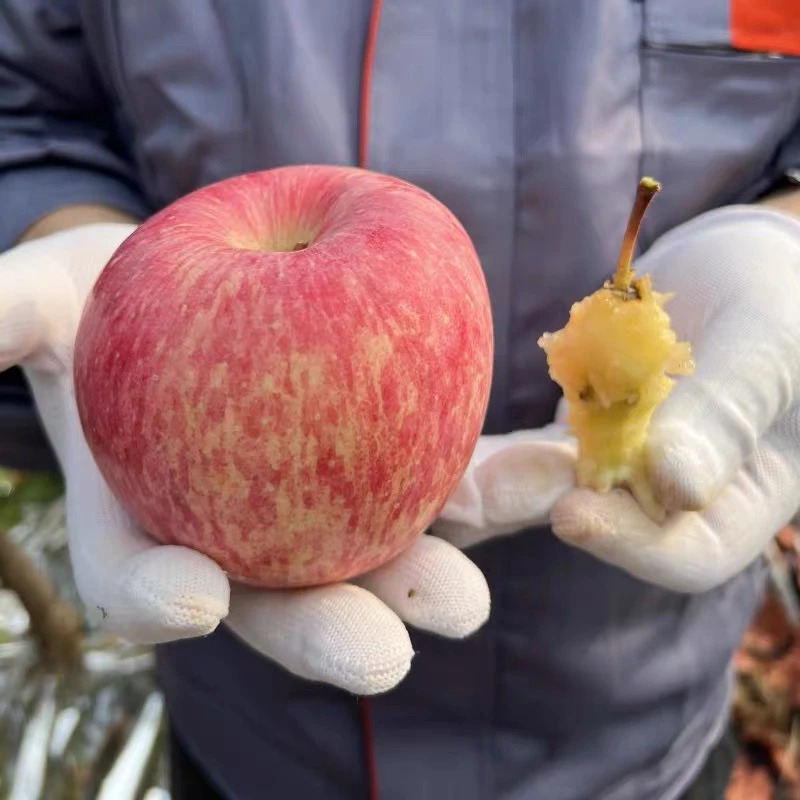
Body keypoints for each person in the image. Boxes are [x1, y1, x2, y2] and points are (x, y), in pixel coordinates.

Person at [1, 2, 799, 798]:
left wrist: (785, 236)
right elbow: (27, 108)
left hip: (629, 712)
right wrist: (74, 249)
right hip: (248, 727)